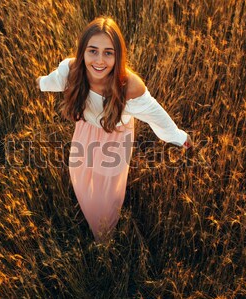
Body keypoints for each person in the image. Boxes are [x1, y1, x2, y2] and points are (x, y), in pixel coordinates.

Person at [36, 17, 193, 243]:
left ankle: (104, 236)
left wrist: (179, 137)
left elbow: (157, 117)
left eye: (108, 53)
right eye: (93, 51)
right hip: (85, 132)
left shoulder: (128, 86)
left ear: (118, 55)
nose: (99, 60)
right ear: (82, 52)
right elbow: (51, 82)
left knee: (106, 190)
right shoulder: (72, 71)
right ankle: (91, 218)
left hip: (115, 139)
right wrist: (39, 82)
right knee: (79, 174)